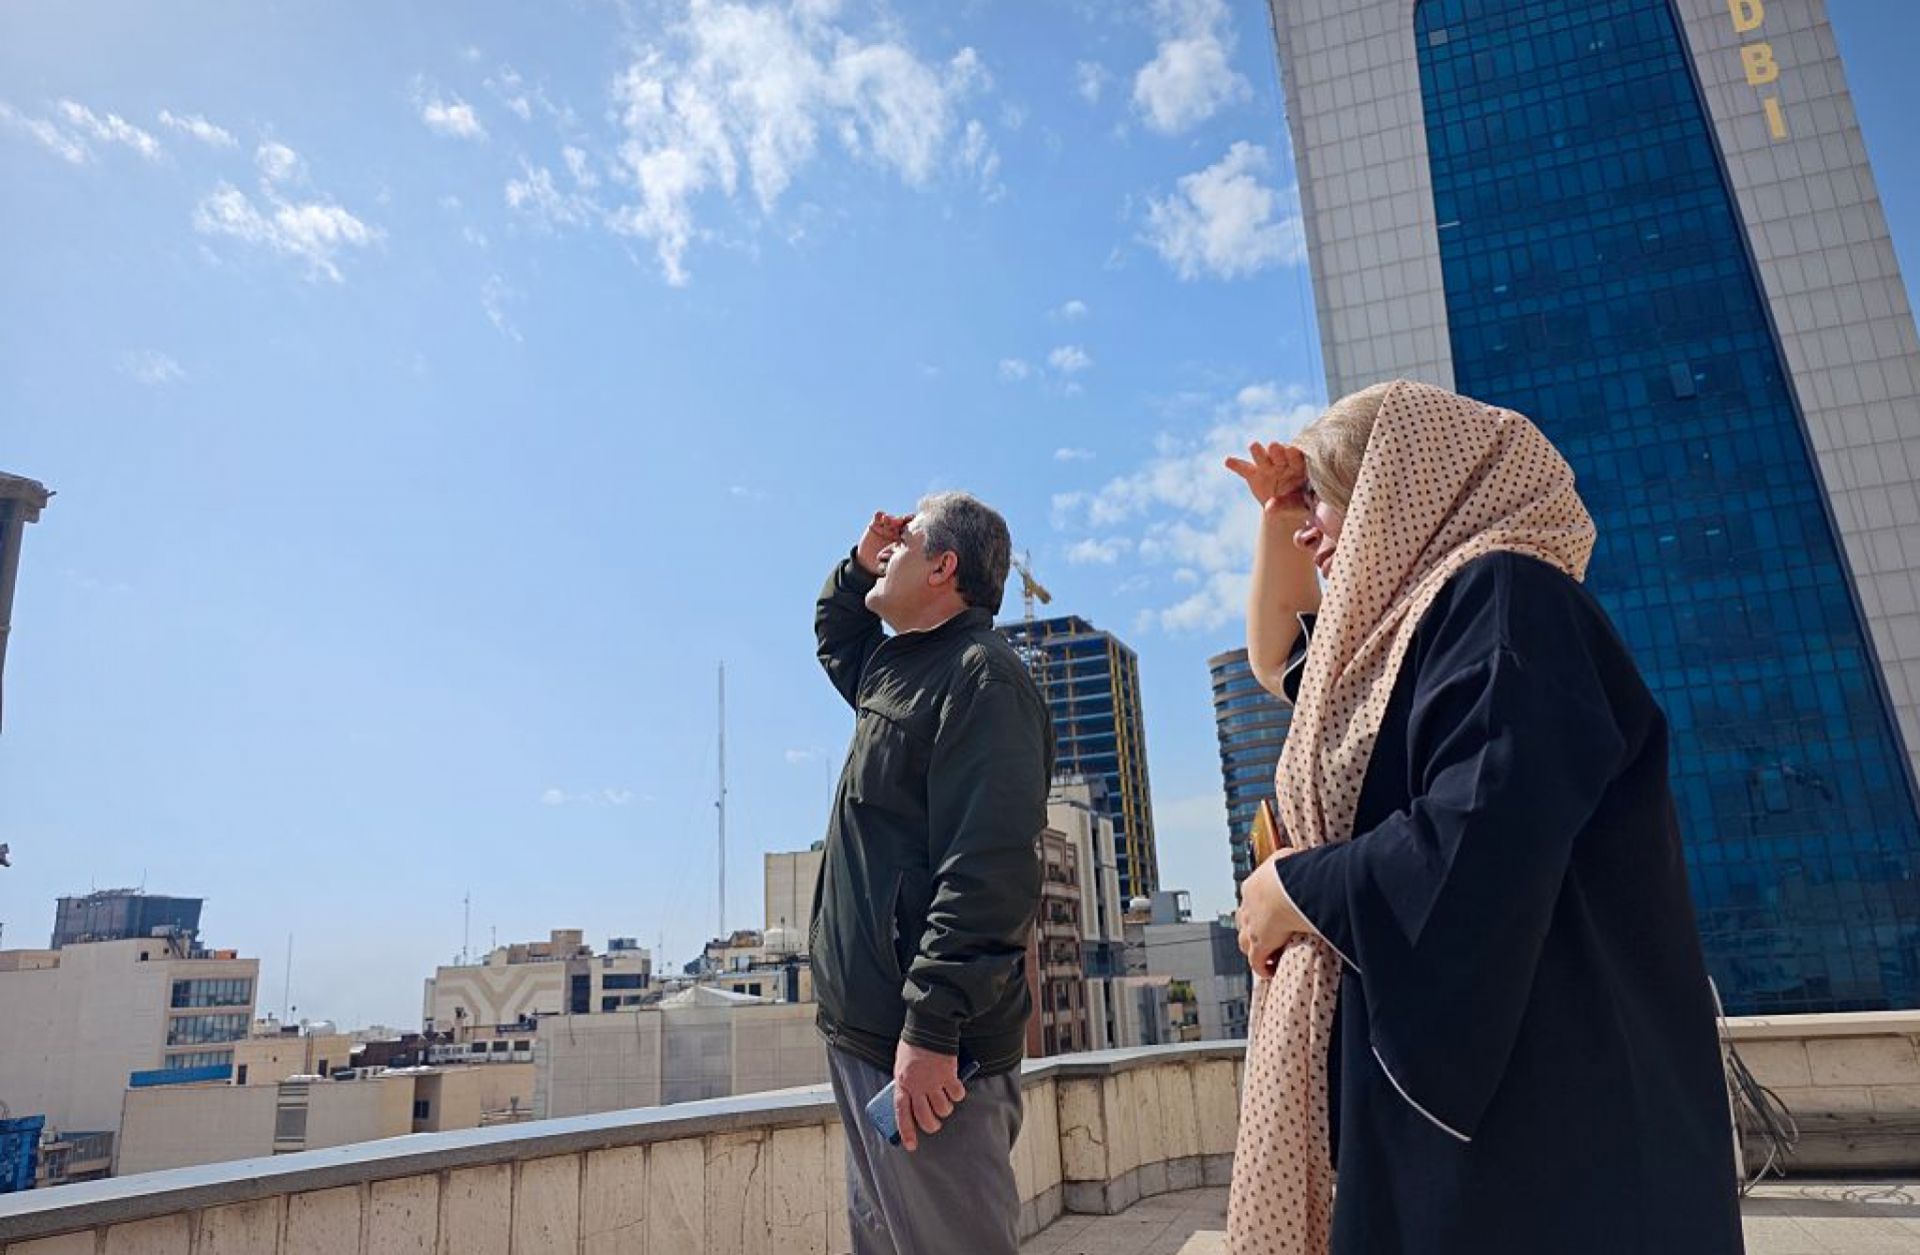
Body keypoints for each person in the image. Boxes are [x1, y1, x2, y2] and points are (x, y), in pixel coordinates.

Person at [1222, 380, 1744, 1255]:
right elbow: (1274, 653)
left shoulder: (1504, 597)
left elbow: (1477, 841)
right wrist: (1281, 514)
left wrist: (1293, 889)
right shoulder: (1403, 639)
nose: (1312, 527)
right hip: (1509, 1124)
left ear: (1401, 487)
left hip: (1545, 1135)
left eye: (1328, 497)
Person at [812, 491, 1053, 1255]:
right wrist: (858, 566)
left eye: (907, 540)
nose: (890, 551)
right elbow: (835, 630)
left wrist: (932, 1025)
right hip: (867, 1033)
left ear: (944, 567)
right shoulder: (900, 666)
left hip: (925, 1051)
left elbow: (988, 870)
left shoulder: (984, 679)